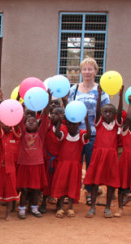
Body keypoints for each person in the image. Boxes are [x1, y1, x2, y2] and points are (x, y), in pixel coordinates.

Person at [66, 57, 110, 205]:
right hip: (76, 134)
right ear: (81, 71)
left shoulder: (101, 91)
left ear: (96, 71)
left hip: (93, 134)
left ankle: (90, 192)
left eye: (90, 69)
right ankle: (71, 192)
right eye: (84, 69)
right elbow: (69, 110)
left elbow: (106, 112)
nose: (87, 72)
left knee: (91, 164)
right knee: (74, 163)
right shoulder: (74, 89)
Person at [84, 85, 123, 218]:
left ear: (114, 114)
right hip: (98, 156)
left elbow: (119, 115)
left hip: (111, 157)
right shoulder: (99, 123)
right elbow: (97, 110)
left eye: (110, 112)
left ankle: (107, 208)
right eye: (105, 112)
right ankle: (93, 207)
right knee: (95, 182)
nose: (107, 114)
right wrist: (99, 95)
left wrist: (120, 95)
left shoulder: (115, 125)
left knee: (111, 183)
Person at [16, 93, 51, 219]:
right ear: (24, 125)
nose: (31, 122)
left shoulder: (40, 134)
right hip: (24, 165)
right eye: (28, 121)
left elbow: (46, 117)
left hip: (37, 165)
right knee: (24, 189)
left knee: (36, 189)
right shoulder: (22, 134)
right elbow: (19, 119)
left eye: (34, 121)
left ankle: (34, 208)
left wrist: (48, 100)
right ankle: (21, 209)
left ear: (38, 124)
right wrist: (21, 104)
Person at [52, 115, 91, 218]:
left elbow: (89, 135)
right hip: (63, 165)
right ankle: (60, 207)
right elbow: (57, 133)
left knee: (72, 186)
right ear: (66, 124)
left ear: (78, 124)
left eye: (74, 124)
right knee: (61, 185)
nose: (72, 126)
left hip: (74, 166)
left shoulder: (81, 134)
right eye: (69, 124)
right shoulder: (64, 134)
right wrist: (60, 122)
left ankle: (70, 208)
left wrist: (87, 121)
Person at [40, 106, 67, 213]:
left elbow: (58, 134)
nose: (53, 116)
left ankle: (59, 204)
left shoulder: (64, 127)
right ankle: (43, 202)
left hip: (59, 161)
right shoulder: (48, 126)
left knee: (59, 182)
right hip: (48, 159)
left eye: (56, 114)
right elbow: (45, 115)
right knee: (47, 182)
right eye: (53, 114)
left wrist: (60, 122)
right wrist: (48, 99)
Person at [0, 124, 21, 221]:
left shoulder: (15, 133)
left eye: (9, 125)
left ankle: (8, 214)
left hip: (10, 168)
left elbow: (18, 134)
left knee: (10, 190)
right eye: (4, 124)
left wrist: (15, 122)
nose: (7, 127)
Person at [115, 95, 131, 217]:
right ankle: (120, 208)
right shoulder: (126, 131)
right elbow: (128, 119)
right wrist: (130, 104)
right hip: (126, 161)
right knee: (122, 184)